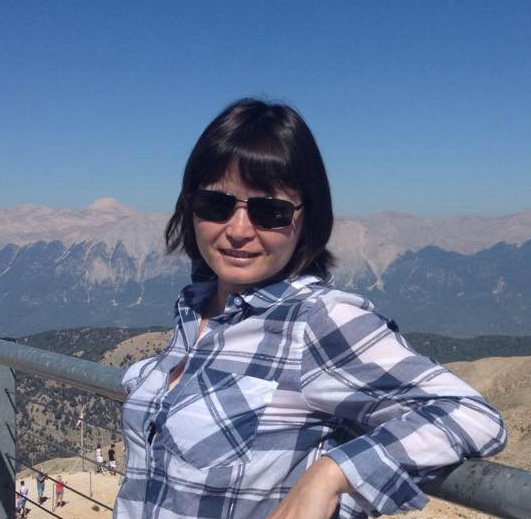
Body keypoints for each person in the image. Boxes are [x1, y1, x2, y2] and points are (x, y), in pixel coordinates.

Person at [115, 99, 506, 519]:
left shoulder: (317, 320)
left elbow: (471, 414)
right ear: (190, 206)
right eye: (216, 204)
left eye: (270, 212)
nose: (238, 230)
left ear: (307, 219)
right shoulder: (196, 310)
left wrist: (333, 472)